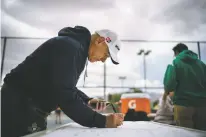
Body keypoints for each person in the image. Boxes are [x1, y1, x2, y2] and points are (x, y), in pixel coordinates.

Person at [1, 26, 124, 137]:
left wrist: (87, 100)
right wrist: (103, 121)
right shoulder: (70, 48)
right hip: (20, 108)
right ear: (100, 41)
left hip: (25, 106)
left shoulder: (74, 47)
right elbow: (64, 95)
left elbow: (63, 85)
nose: (103, 60)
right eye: (106, 54)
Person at [163, 43, 206, 130]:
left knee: (185, 133)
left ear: (177, 52)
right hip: (202, 105)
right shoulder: (202, 64)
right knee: (202, 132)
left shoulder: (176, 63)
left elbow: (169, 86)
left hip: (183, 104)